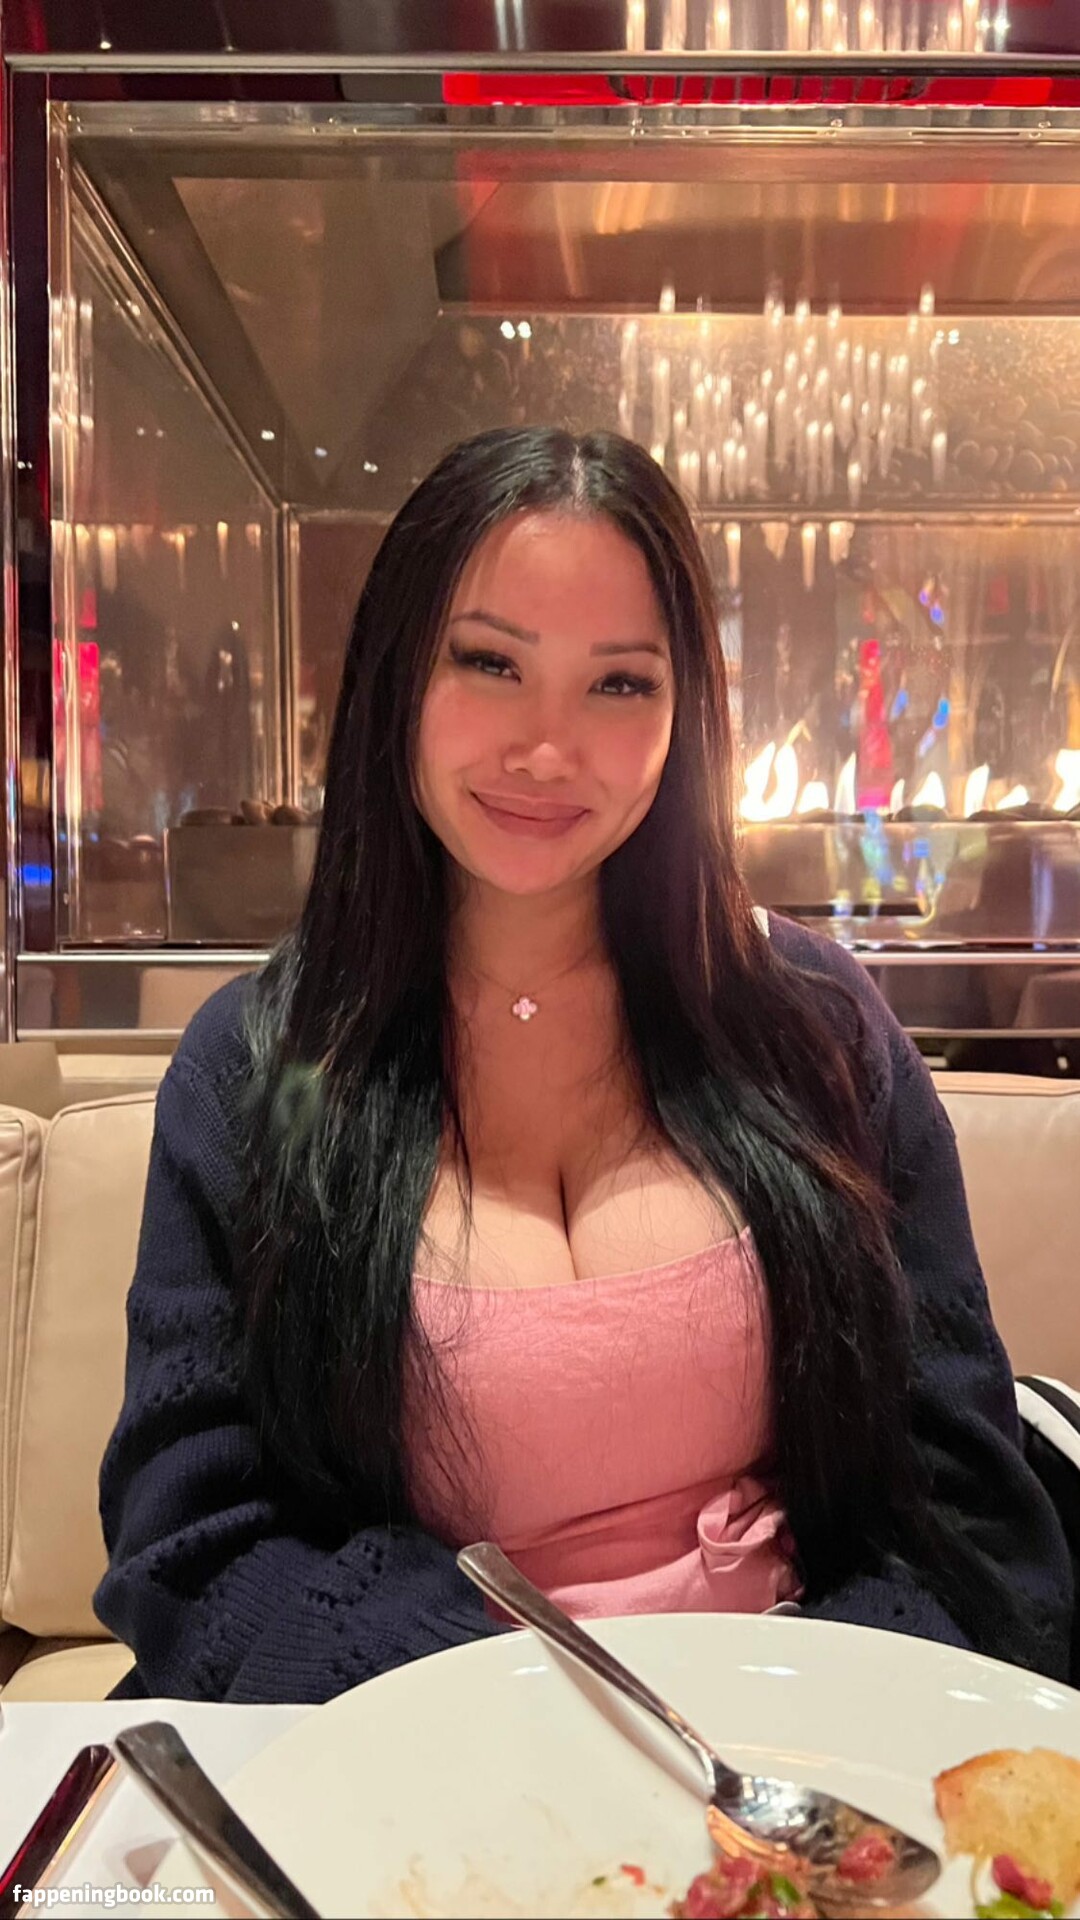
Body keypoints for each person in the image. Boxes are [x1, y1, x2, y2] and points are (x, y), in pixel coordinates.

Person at [95, 428, 1072, 1703]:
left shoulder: (818, 1026)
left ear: (685, 714)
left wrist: (784, 1711)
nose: (548, 750)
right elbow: (191, 1537)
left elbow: (963, 1496)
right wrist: (546, 1714)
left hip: (792, 1747)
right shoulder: (259, 1066)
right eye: (490, 663)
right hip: (416, 1749)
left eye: (618, 683)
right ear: (396, 672)